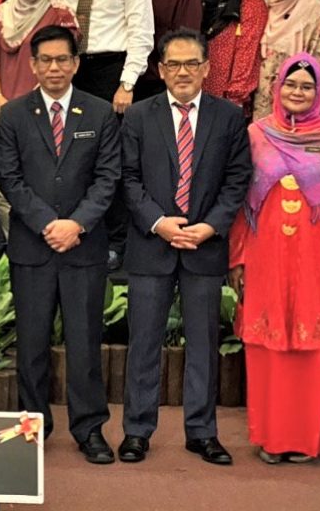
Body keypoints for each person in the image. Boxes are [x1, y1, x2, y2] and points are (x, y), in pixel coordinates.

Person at [118, 29, 252, 465]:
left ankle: (202, 432)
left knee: (203, 346)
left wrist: (210, 227)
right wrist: (158, 222)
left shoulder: (229, 117)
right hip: (151, 245)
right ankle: (137, 431)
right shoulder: (139, 116)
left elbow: (237, 179)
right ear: (160, 70)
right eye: (173, 64)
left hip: (203, 248)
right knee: (143, 343)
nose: (182, 72)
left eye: (191, 63)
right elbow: (127, 178)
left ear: (206, 68)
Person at [228, 54, 320, 463]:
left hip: (318, 257)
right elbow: (242, 203)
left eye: (307, 86)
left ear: (319, 92)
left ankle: (306, 440)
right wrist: (238, 258)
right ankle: (271, 437)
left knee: (315, 347)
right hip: (265, 254)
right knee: (266, 347)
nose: (297, 92)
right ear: (277, 87)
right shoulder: (256, 134)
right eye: (291, 84)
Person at [0, 26, 119, 462]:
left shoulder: (100, 113)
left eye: (62, 59)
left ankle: (90, 430)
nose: (54, 67)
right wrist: (49, 223)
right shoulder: (13, 115)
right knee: (31, 345)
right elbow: (9, 178)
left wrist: (77, 224)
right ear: (32, 65)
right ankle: (33, 426)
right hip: (33, 246)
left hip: (83, 247)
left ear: (76, 63)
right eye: (45, 60)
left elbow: (108, 178)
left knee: (84, 344)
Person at [253, 0, 320, 120]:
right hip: (263, 107)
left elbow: (316, 68)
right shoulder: (264, 9)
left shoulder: (316, 14)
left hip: (297, 104)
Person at [199, 0, 266, 111]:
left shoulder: (250, 0)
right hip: (197, 95)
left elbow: (248, 53)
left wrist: (235, 99)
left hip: (229, 101)